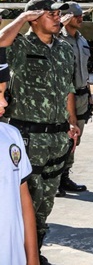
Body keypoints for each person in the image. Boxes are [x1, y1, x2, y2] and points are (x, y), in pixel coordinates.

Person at [0, 0, 78, 265]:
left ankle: (36, 250)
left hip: (56, 138)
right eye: (51, 14)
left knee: (46, 202)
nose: (58, 19)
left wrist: (73, 122)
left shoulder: (65, 49)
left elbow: (68, 87)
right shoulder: (18, 45)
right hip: (27, 138)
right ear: (34, 17)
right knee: (24, 204)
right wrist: (22, 19)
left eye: (59, 15)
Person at [0, 51, 40, 265]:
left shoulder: (11, 136)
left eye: (4, 94)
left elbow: (24, 200)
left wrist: (32, 259)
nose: (4, 103)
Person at [56, 2, 93, 197]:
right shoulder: (56, 40)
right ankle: (53, 179)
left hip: (81, 96)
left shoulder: (81, 40)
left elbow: (84, 73)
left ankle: (64, 176)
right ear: (67, 17)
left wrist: (90, 96)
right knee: (60, 138)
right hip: (63, 97)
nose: (81, 18)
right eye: (78, 15)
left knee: (74, 140)